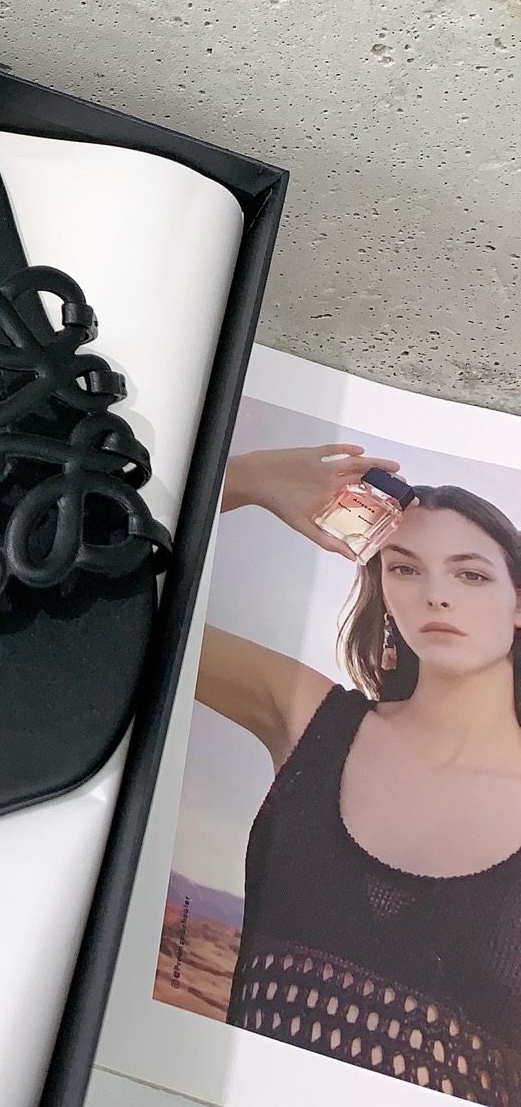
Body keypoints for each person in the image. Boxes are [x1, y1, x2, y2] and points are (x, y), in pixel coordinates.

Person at [200, 444, 521, 1103]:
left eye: (470, 575)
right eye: (404, 568)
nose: (435, 595)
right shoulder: (309, 719)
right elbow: (80, 572)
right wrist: (247, 480)